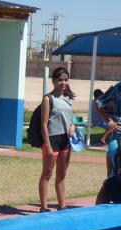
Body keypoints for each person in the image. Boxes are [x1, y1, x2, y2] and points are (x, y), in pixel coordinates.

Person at [38, 67, 76, 213]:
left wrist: (72, 125)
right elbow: (43, 124)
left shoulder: (67, 98)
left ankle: (62, 205)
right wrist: (47, 145)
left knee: (62, 174)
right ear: (53, 81)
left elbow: (69, 118)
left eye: (65, 80)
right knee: (47, 173)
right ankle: (44, 207)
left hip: (65, 140)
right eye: (60, 80)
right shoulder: (48, 98)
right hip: (52, 140)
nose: (63, 83)